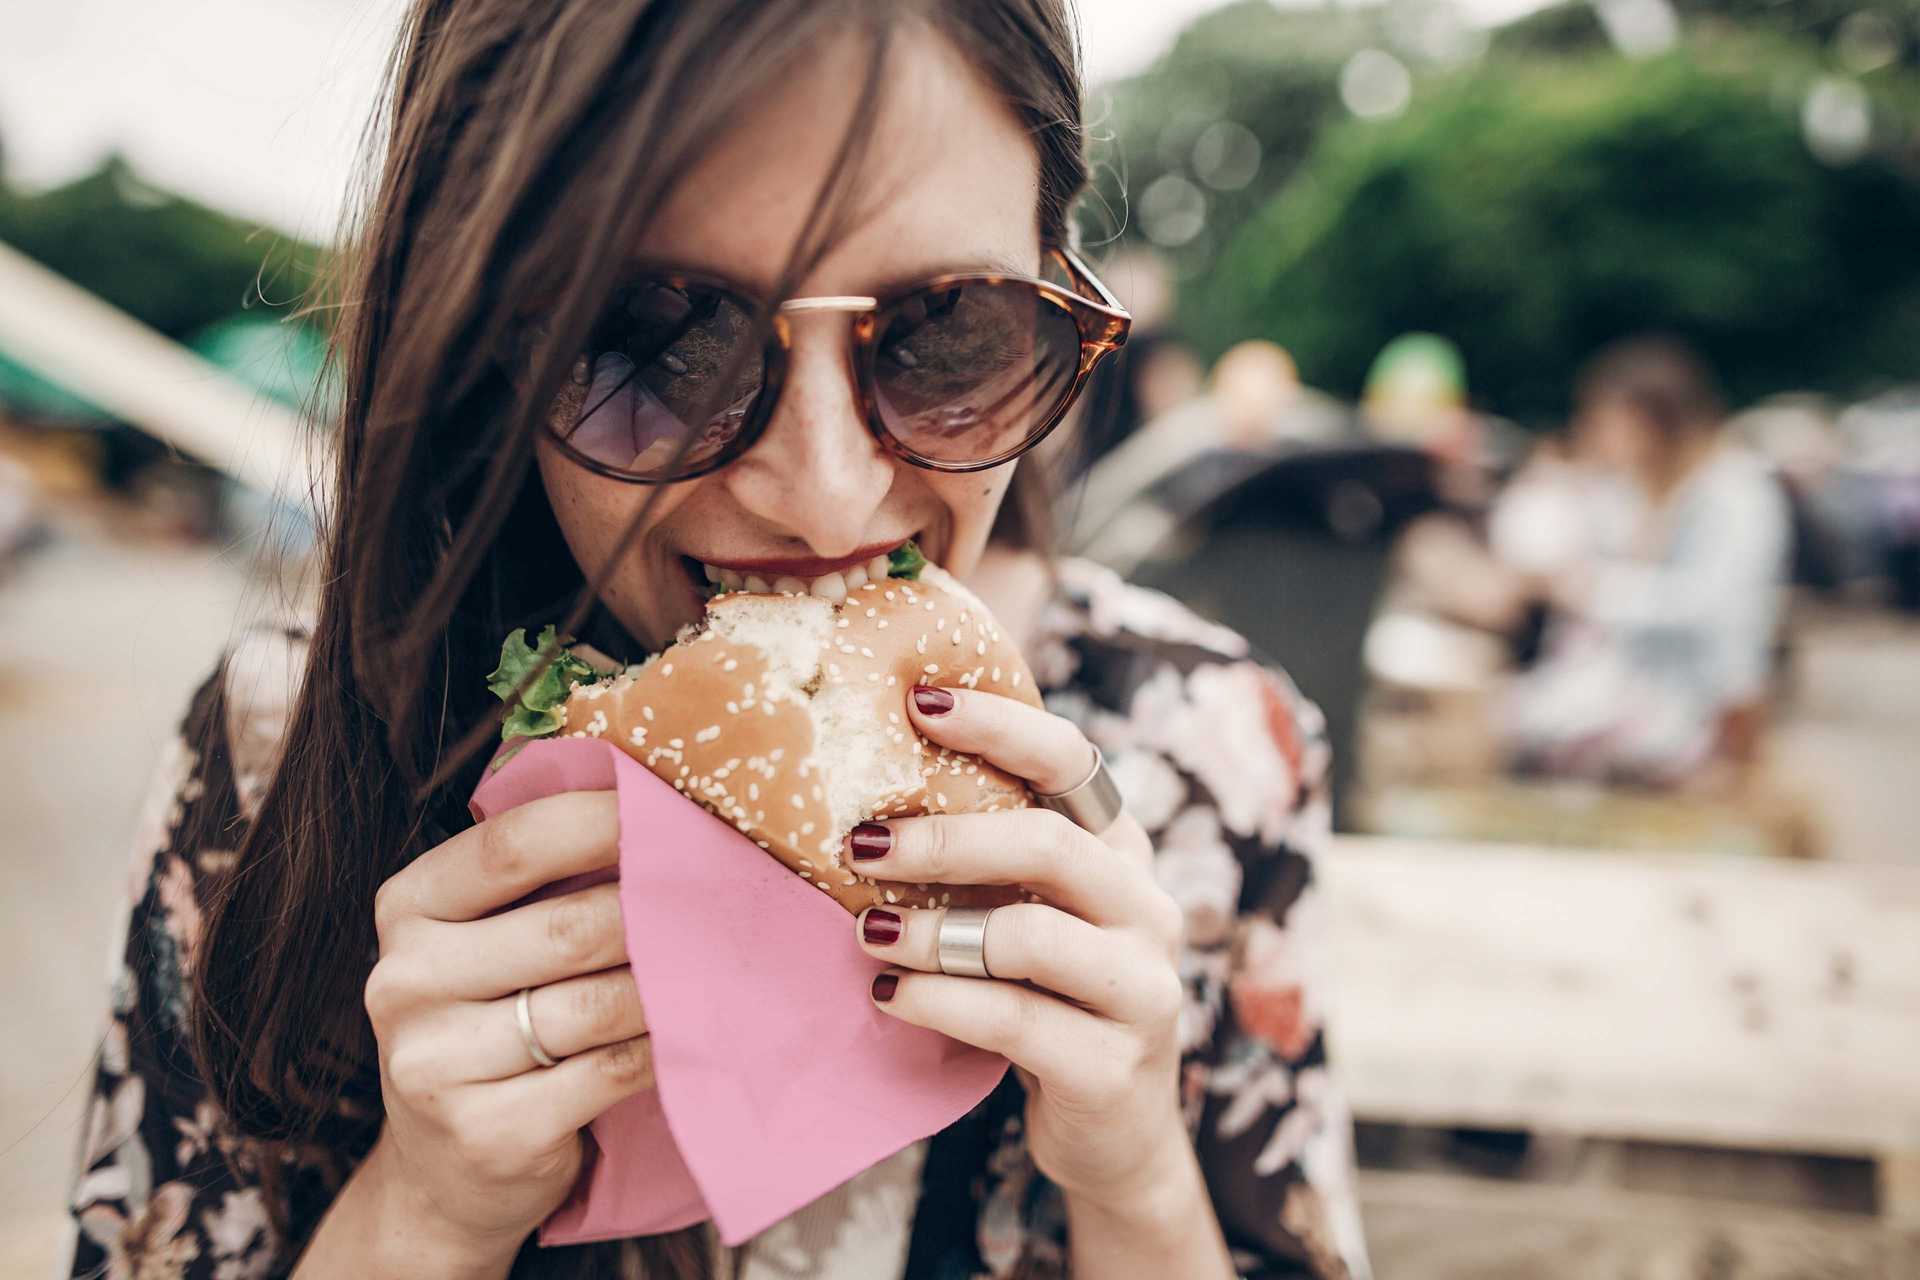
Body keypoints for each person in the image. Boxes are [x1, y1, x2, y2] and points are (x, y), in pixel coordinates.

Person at [65, 3, 1368, 1278]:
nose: (824, 495)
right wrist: (425, 1212)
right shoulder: (274, 748)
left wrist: (1136, 1177)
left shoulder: (1216, 753)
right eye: (658, 343)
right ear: (476, 343)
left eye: (949, 330)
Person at [1503, 337, 1792, 785]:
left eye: (1607, 421)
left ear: (1650, 421)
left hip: (1703, 708)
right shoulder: (1644, 489)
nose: (1596, 435)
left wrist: (1589, 589)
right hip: (1645, 691)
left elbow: (1709, 609)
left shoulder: (1734, 493)